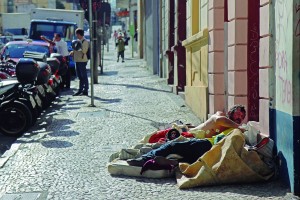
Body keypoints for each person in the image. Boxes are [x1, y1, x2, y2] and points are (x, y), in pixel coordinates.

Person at [127, 104, 247, 167]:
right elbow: (218, 120)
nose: (239, 118)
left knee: (177, 151)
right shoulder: (223, 117)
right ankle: (145, 158)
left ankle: (173, 163)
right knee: (166, 144)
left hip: (206, 147)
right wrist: (240, 127)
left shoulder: (234, 129)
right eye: (238, 114)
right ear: (231, 111)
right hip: (192, 136)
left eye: (242, 117)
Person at [70, 28, 89, 96]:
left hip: (82, 60)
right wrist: (72, 52)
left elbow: (84, 51)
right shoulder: (77, 41)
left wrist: (79, 45)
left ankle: (85, 90)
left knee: (84, 76)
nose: (76, 35)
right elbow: (76, 50)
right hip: (77, 60)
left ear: (80, 34)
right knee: (79, 76)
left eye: (77, 34)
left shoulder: (85, 42)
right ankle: (80, 89)